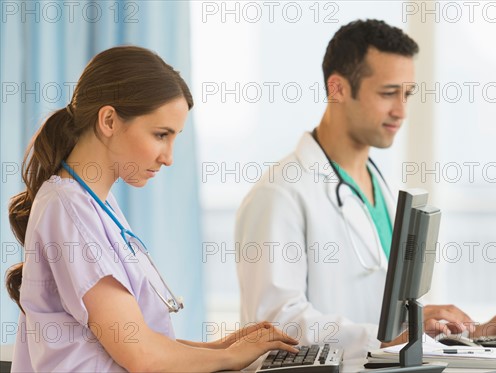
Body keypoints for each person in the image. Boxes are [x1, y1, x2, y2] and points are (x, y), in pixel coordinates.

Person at [235, 20, 496, 359]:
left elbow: (390, 319)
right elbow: (277, 326)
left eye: (407, 94)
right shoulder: (280, 194)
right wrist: (389, 337)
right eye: (388, 93)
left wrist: (478, 334)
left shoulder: (378, 188)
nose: (401, 111)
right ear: (338, 88)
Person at [5, 46, 297, 372]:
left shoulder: (95, 203)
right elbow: (142, 356)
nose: (168, 157)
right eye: (161, 135)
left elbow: (136, 342)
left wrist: (224, 346)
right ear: (109, 120)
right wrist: (230, 358)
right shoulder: (69, 210)